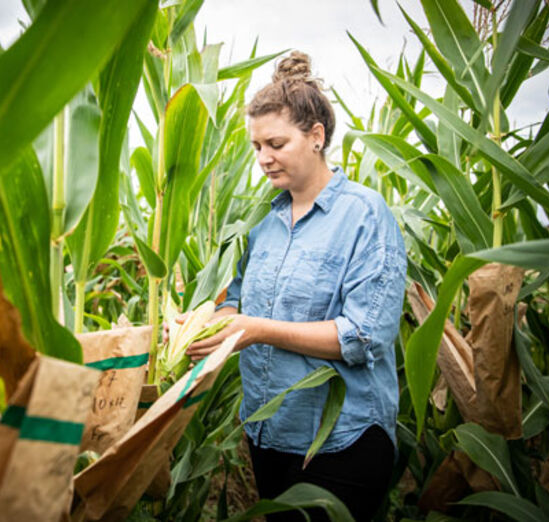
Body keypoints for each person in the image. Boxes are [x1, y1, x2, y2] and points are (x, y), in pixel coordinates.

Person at [184, 51, 406, 521]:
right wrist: (201, 327)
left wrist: (257, 330)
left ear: (316, 137)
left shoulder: (365, 216)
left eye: (276, 143)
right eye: (256, 146)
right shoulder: (260, 221)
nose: (263, 158)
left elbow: (364, 336)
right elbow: (237, 302)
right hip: (268, 435)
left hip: (341, 442)